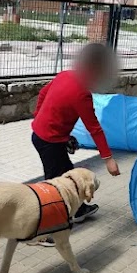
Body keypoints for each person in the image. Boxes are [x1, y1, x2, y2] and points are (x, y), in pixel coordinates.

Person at [31, 43, 120, 246]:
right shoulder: (82, 94)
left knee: (70, 174)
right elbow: (94, 128)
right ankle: (46, 233)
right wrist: (108, 160)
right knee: (55, 187)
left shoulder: (65, 75)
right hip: (48, 142)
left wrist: (40, 117)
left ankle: (78, 210)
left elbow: (43, 94)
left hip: (43, 135)